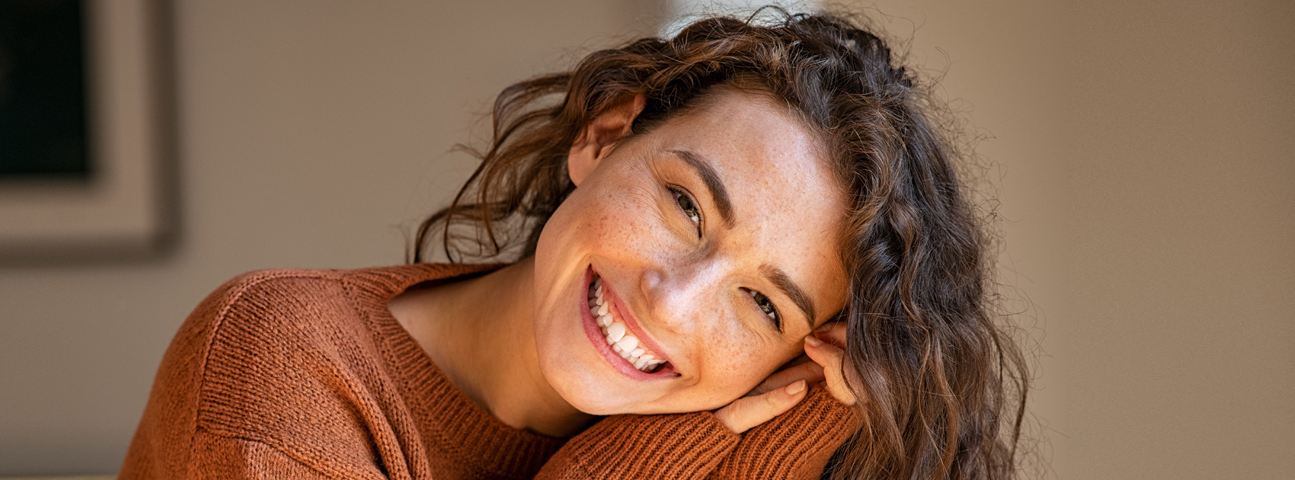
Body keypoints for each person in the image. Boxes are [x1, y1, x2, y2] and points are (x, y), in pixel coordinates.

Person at [118, 10, 1029, 480]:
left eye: (761, 303)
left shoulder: (733, 441)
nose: (673, 301)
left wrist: (823, 426)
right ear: (602, 136)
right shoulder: (287, 359)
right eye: (685, 205)